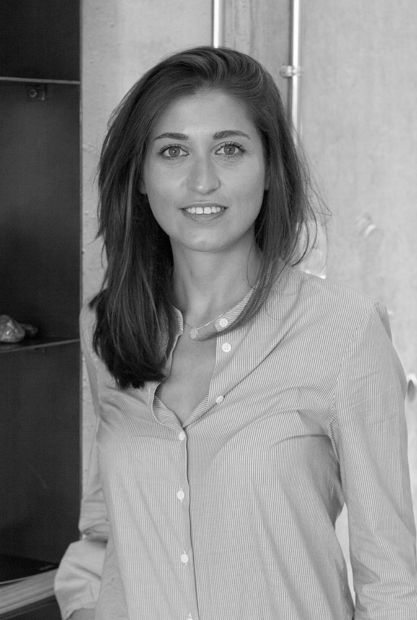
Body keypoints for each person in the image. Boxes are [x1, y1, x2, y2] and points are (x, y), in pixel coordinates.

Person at [54, 46, 417, 620]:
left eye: (229, 149)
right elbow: (105, 530)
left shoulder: (346, 332)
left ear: (270, 169)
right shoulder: (106, 326)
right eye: (173, 151)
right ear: (140, 178)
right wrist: (83, 608)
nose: (202, 180)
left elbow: (392, 584)